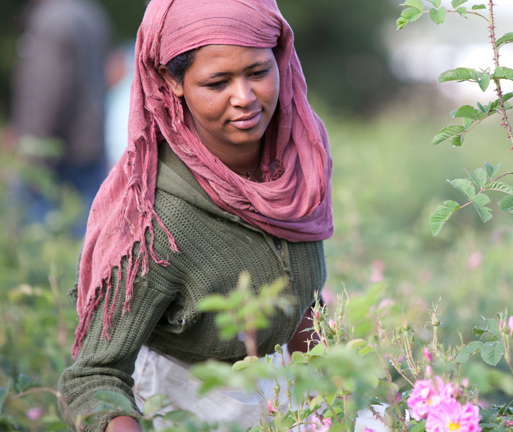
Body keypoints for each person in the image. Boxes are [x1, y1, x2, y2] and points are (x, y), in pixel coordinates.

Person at [57, 0, 334, 431]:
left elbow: (303, 307)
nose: (244, 98)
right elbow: (95, 378)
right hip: (190, 409)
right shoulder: (153, 220)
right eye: (217, 82)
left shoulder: (298, 170)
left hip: (292, 400)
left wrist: (334, 403)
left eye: (258, 73)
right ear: (173, 80)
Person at [11, 0, 110, 229]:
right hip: (91, 148)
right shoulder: (92, 13)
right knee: (89, 239)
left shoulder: (50, 21)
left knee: (31, 240)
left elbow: (46, 92)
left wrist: (32, 154)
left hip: (57, 158)